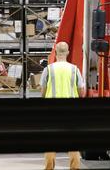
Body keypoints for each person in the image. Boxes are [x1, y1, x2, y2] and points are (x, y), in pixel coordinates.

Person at [41, 41, 85, 170]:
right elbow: (81, 90)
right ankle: (74, 168)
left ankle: (49, 168)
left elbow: (43, 91)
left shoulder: (48, 69)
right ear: (68, 53)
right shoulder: (74, 69)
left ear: (55, 53)